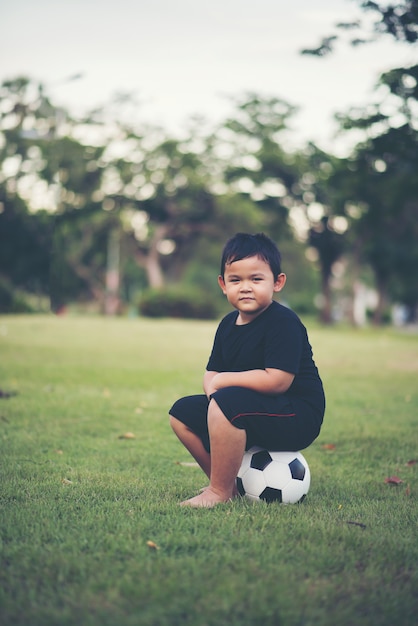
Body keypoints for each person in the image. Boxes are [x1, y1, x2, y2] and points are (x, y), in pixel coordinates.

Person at [169, 232, 325, 508]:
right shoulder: (228, 325)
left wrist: (223, 386)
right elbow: (212, 372)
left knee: (226, 403)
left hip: (296, 413)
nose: (245, 287)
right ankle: (228, 485)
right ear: (223, 284)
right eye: (235, 280)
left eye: (256, 279)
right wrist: (213, 391)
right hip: (254, 408)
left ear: (277, 282)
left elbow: (277, 380)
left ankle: (217, 493)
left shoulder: (283, 322)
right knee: (181, 413)